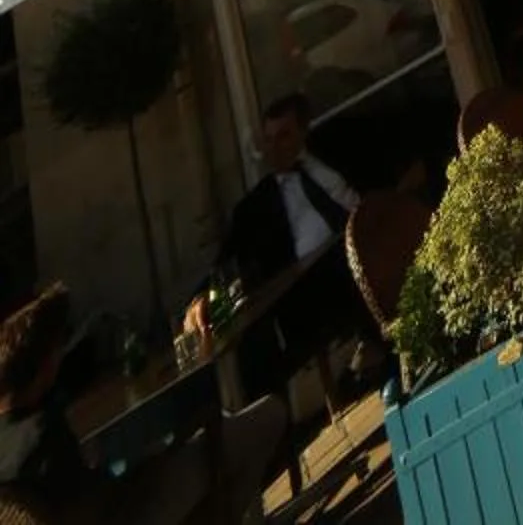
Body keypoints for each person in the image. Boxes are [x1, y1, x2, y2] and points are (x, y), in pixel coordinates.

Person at [1, 282, 283, 525]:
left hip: (119, 505)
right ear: (43, 367)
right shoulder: (43, 434)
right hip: (134, 514)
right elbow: (97, 507)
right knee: (268, 414)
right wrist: (152, 462)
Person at [184, 93, 367, 406]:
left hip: (366, 241)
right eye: (269, 140)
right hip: (313, 290)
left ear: (303, 132)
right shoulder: (256, 206)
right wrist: (198, 299)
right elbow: (226, 262)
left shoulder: (333, 156)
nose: (275, 148)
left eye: (284, 136)